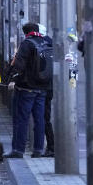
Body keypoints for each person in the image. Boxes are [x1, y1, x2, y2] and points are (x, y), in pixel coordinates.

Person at [5, 22, 53, 158]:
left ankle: (18, 150)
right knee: (39, 120)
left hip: (26, 88)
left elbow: (19, 65)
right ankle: (38, 150)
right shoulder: (46, 42)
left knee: (21, 119)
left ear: (25, 33)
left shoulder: (27, 44)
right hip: (43, 88)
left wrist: (11, 80)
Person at [38, 24, 55, 158]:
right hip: (50, 86)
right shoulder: (52, 43)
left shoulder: (37, 45)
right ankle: (50, 147)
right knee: (45, 118)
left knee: (42, 118)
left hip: (39, 87)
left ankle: (49, 147)